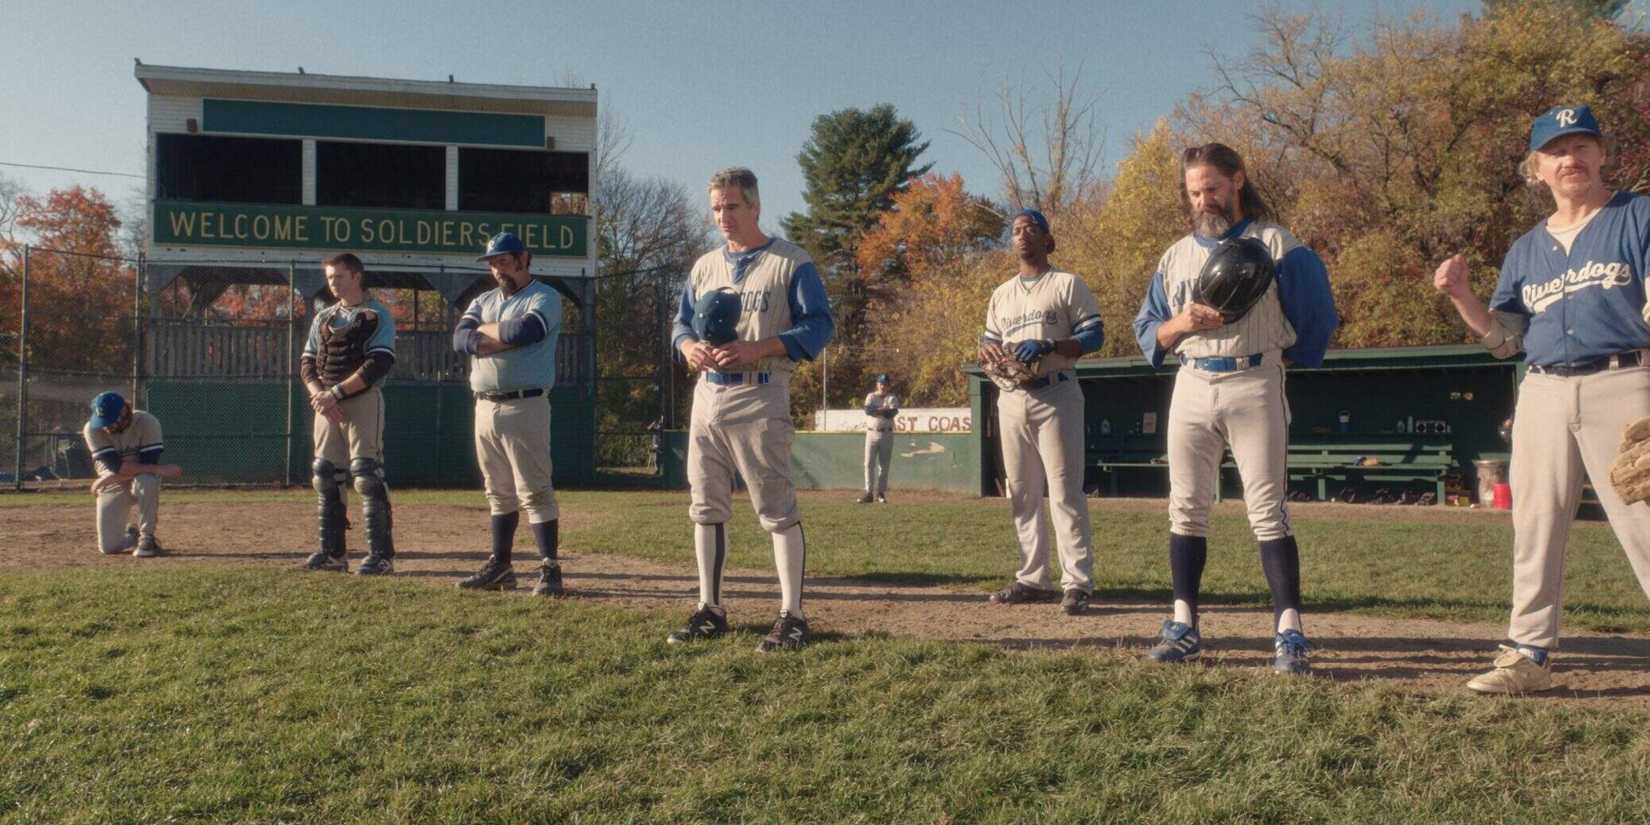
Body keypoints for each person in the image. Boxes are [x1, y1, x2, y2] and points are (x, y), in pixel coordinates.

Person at [1432, 105, 1650, 694]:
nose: (1570, 158)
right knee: (1534, 523)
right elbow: (1506, 341)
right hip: (1545, 388)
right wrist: (1461, 296)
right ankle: (1528, 654)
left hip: (1625, 380)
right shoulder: (1525, 249)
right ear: (1538, 169)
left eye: (1582, 145)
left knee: (1645, 518)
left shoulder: (1638, 217)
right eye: (1556, 150)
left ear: (1603, 155)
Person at [1132, 142, 1338, 674]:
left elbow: (1317, 316)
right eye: (1195, 191)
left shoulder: (1276, 243)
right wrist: (1182, 325)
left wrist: (1278, 357)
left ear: (1238, 181)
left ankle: (1288, 630)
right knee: (1186, 506)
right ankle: (1183, 624)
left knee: (1267, 509)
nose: (1205, 199)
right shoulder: (1175, 255)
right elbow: (1148, 330)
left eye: (1214, 188)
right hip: (1193, 381)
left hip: (1253, 378)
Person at [666, 167, 834, 651]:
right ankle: (710, 608)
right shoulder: (704, 266)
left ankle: (793, 616)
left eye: (733, 206)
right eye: (717, 207)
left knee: (776, 509)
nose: (723, 216)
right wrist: (688, 347)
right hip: (708, 395)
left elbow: (820, 326)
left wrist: (758, 348)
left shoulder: (789, 262)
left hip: (760, 391)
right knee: (705, 506)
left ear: (755, 207)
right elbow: (680, 323)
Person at [978, 209, 1105, 616]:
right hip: (1013, 396)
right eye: (1015, 230)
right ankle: (1032, 578)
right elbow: (987, 344)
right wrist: (989, 353)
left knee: (1065, 491)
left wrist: (1050, 345)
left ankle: (1077, 582)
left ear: (1047, 239)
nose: (1022, 234)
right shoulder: (1001, 294)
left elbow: (1095, 335)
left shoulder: (1066, 284)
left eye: (1030, 228)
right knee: (1022, 492)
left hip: (1057, 395)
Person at [451, 231, 566, 596]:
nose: (497, 269)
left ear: (523, 258)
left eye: (503, 261)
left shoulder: (544, 295)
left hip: (525, 403)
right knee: (497, 491)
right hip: (484, 403)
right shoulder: (483, 298)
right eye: (493, 263)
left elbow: (526, 330)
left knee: (534, 489)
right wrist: (495, 336)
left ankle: (549, 569)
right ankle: (501, 566)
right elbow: (460, 339)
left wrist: (484, 335)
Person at [299, 253, 398, 575]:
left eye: (338, 276)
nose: (332, 282)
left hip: (361, 400)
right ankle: (333, 554)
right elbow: (308, 363)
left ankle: (380, 557)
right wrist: (321, 397)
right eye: (329, 277)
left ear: (356, 276)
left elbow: (378, 363)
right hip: (326, 406)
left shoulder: (376, 314)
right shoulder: (323, 317)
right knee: (325, 473)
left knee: (367, 475)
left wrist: (336, 393)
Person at [82, 391, 181, 557]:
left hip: (131, 478)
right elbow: (117, 467)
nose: (106, 426)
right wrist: (159, 470)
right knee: (109, 547)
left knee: (146, 480)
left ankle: (147, 538)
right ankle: (132, 537)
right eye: (102, 420)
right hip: (113, 482)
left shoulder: (146, 422)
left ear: (123, 411)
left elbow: (147, 464)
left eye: (111, 419)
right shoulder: (92, 429)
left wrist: (107, 478)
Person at [859, 373, 899, 503]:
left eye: (886, 384)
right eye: (881, 383)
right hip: (871, 433)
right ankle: (869, 493)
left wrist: (877, 410)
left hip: (886, 433)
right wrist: (882, 409)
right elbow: (867, 410)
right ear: (877, 384)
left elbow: (891, 413)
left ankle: (881, 493)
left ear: (888, 386)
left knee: (884, 465)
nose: (883, 386)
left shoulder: (892, 397)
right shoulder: (871, 396)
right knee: (868, 464)